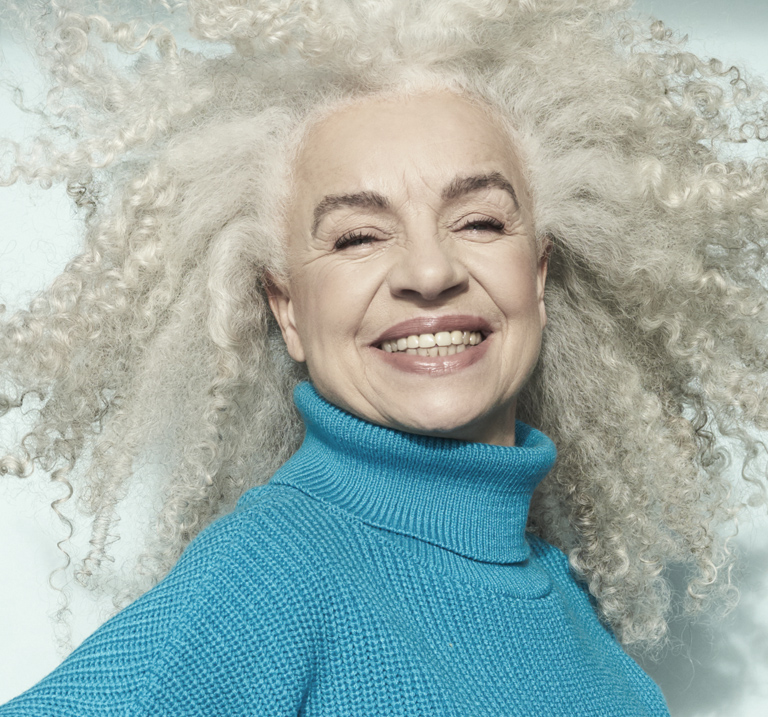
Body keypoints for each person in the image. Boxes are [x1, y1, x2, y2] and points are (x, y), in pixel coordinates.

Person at [1, 0, 766, 713]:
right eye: (358, 236)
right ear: (287, 309)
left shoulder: (572, 611)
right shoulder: (269, 574)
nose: (429, 273)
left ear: (536, 275)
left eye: (479, 221)